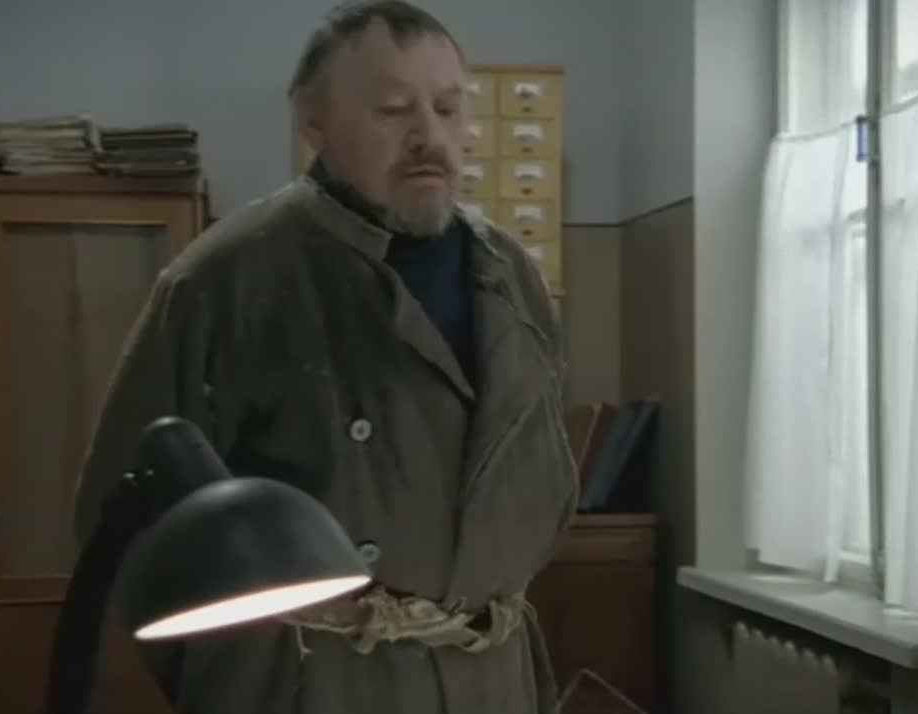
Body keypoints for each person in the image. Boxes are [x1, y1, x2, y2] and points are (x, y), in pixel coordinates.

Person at [72, 1, 578, 713]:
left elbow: (542, 485)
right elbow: (126, 528)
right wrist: (244, 674)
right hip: (315, 679)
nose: (428, 135)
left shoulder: (513, 277)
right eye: (393, 109)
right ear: (315, 126)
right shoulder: (226, 278)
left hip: (490, 678)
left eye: (447, 107)